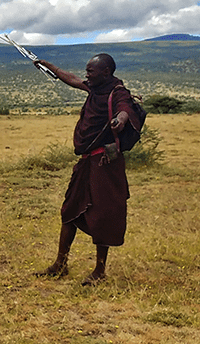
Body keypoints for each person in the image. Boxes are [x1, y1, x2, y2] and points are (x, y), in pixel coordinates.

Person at [32, 54, 143, 285]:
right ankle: (60, 264)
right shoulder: (95, 88)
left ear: (106, 73)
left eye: (91, 71)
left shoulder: (117, 92)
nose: (86, 75)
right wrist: (48, 66)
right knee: (69, 210)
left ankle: (99, 272)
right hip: (86, 162)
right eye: (87, 71)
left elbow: (125, 109)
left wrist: (120, 121)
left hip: (105, 163)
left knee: (104, 215)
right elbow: (71, 79)